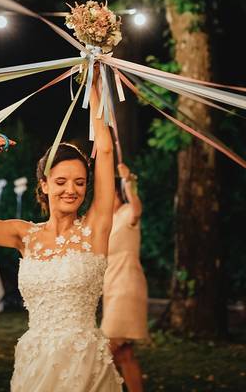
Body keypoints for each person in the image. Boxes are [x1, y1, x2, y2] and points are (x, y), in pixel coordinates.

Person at [0, 73, 121, 391]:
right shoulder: (24, 235)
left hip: (85, 363)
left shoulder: (95, 228)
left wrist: (95, 82)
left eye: (79, 182)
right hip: (36, 360)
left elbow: (104, 149)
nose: (70, 190)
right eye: (60, 182)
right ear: (44, 186)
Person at [101, 161, 148, 392]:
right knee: (125, 354)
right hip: (112, 287)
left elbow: (137, 208)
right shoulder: (105, 223)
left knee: (105, 349)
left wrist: (127, 180)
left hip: (127, 285)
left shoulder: (127, 213)